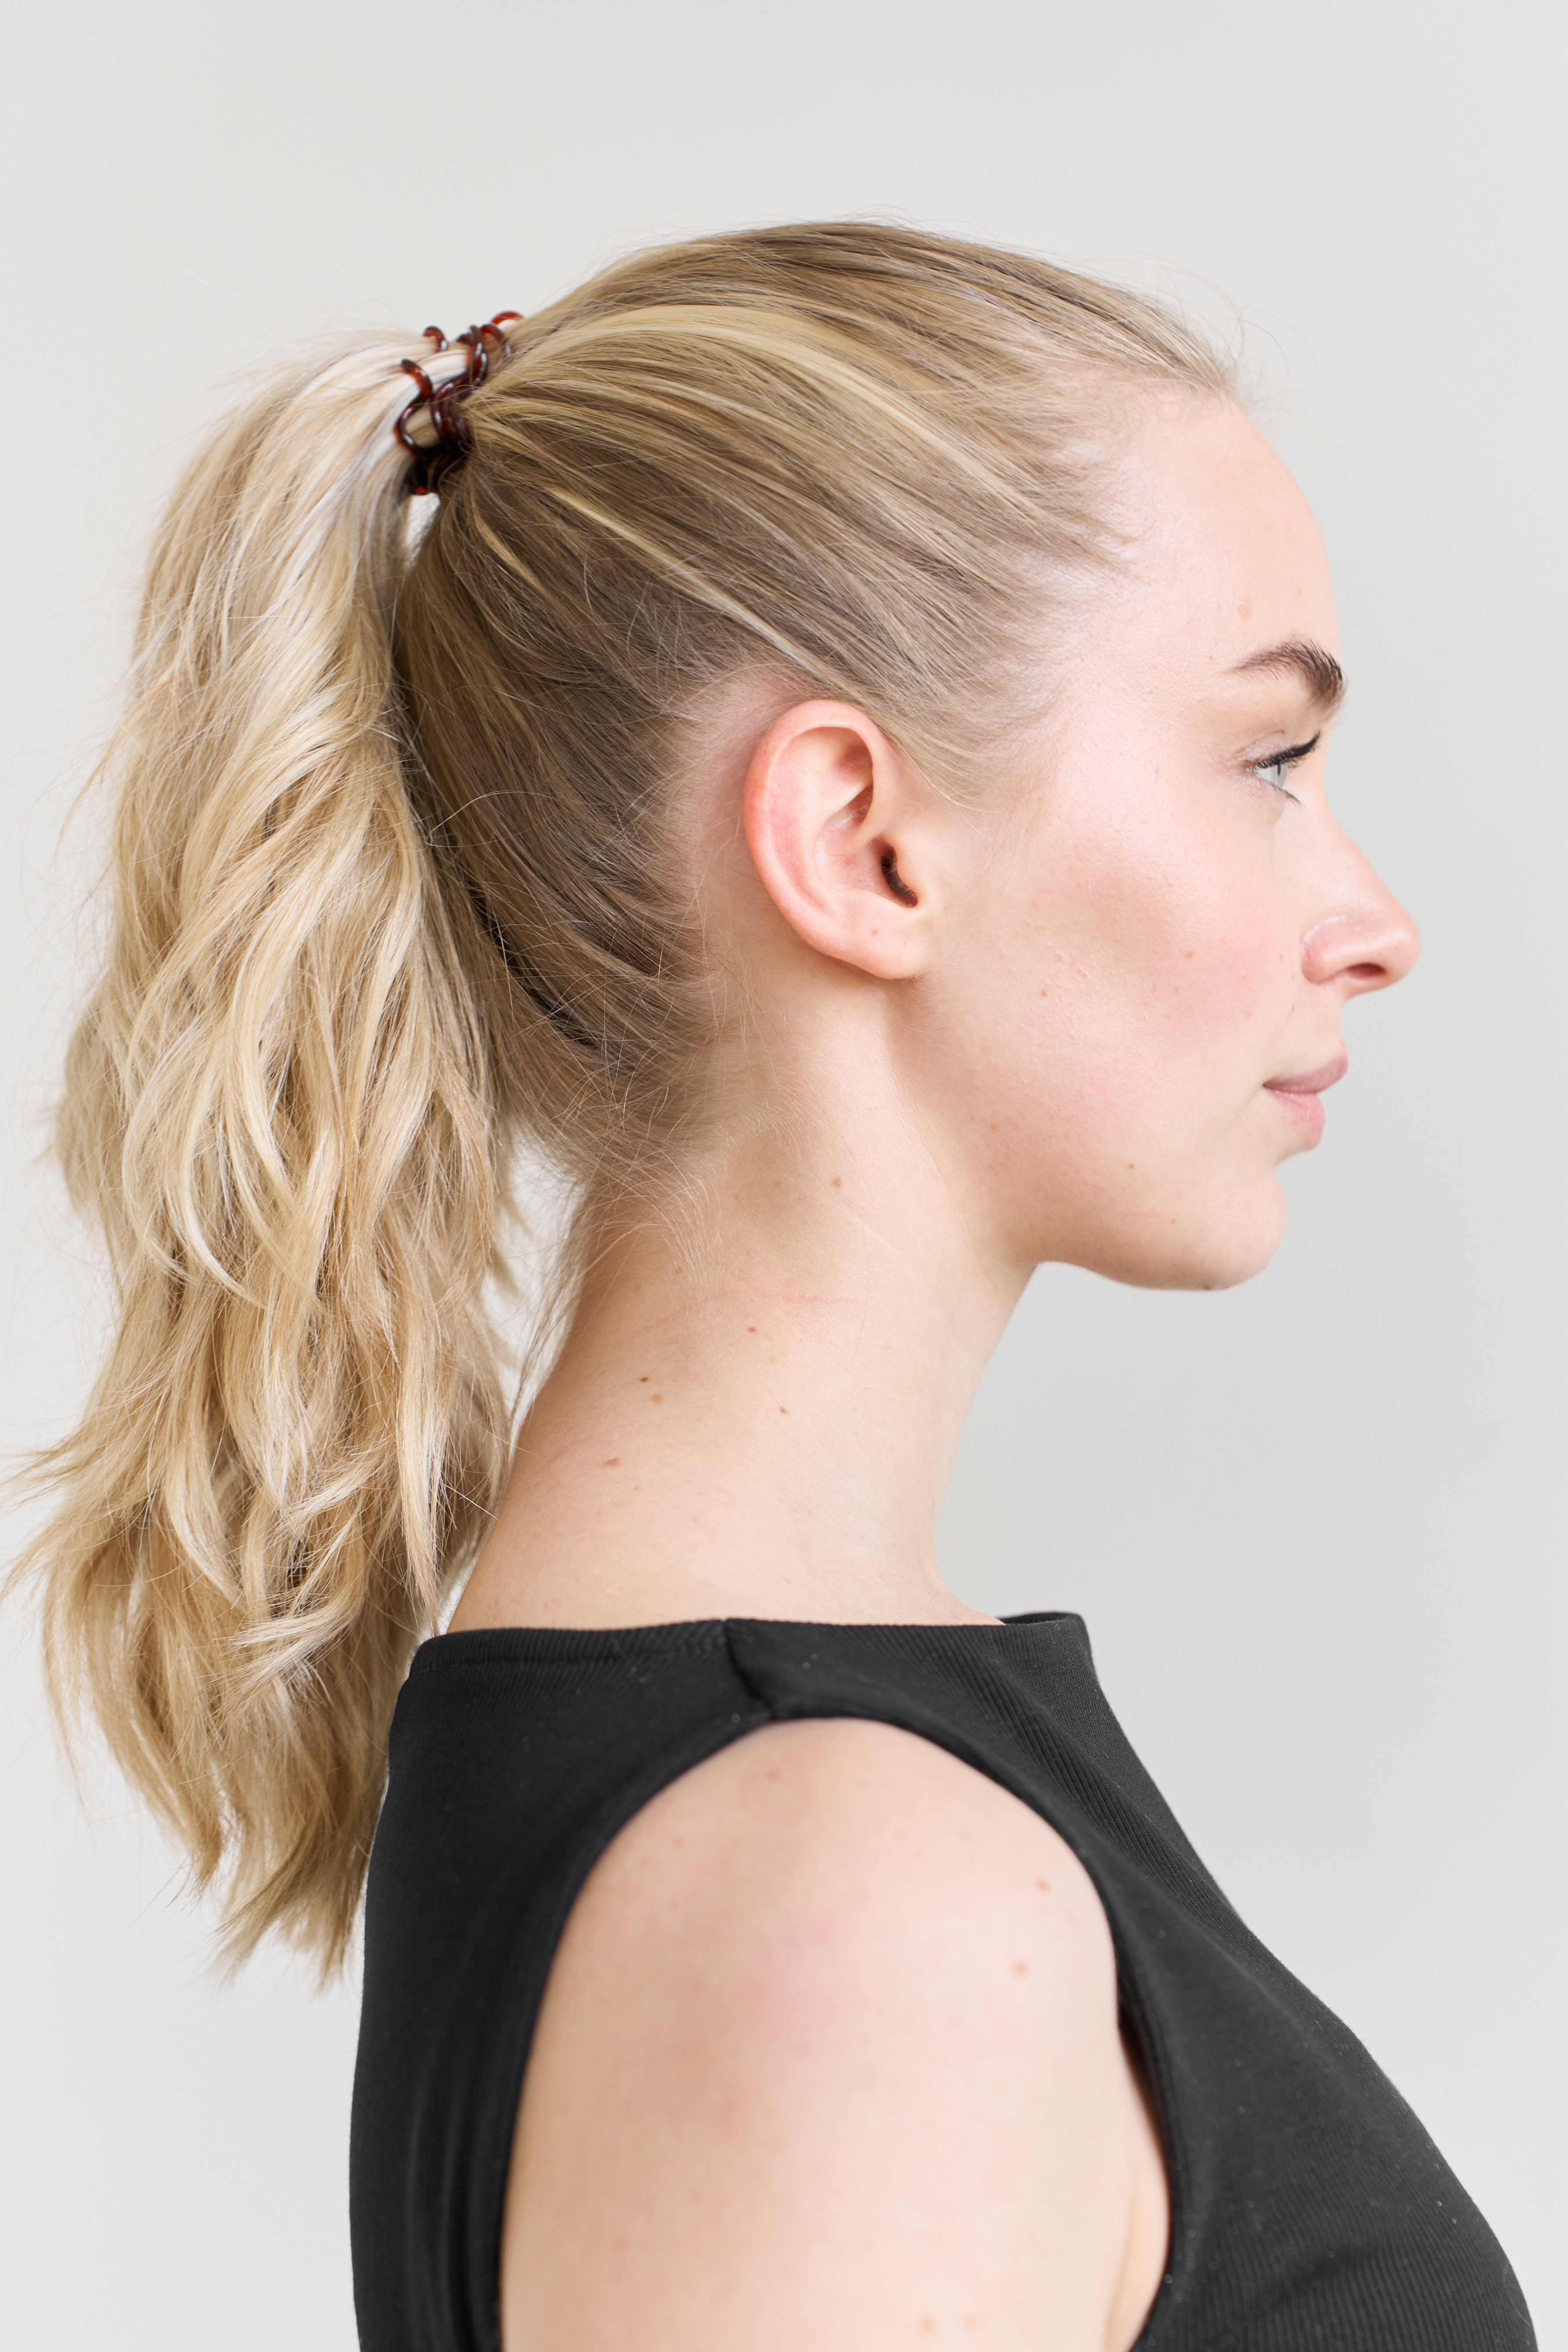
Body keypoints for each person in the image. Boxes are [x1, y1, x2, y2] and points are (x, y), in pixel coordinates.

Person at [21, 224, 1535, 2350]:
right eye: (1265, 760)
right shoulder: (849, 1913)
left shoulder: (780, 1806)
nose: (1370, 918)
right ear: (858, 839)